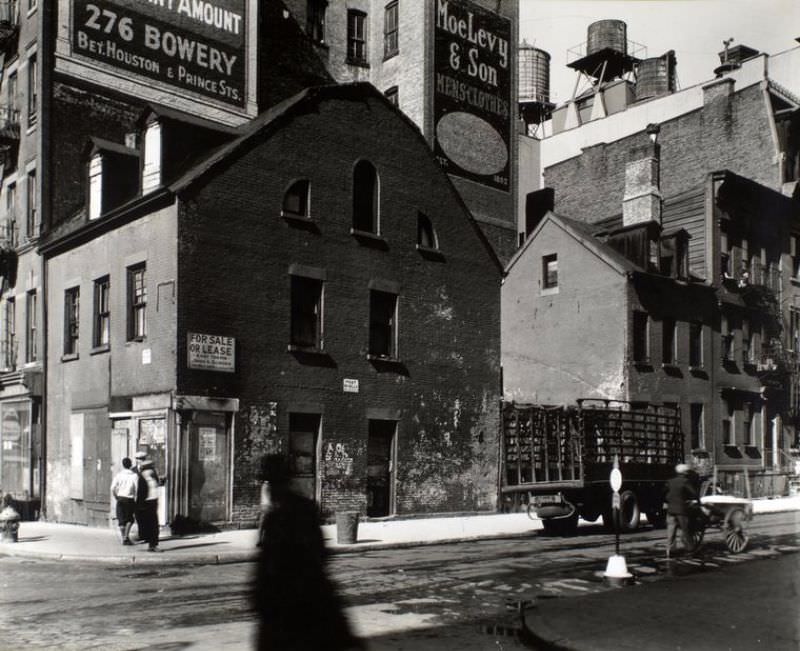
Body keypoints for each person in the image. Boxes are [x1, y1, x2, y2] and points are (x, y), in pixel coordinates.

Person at [252, 454, 362, 651]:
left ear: (282, 482)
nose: (270, 488)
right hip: (292, 603)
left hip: (299, 603)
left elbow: (314, 555)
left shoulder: (293, 512)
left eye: (273, 482)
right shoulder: (288, 512)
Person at [665, 462, 700, 558]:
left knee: (671, 530)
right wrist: (697, 500)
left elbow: (665, 493)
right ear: (684, 473)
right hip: (681, 510)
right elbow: (693, 493)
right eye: (686, 472)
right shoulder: (685, 481)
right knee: (686, 530)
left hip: (670, 509)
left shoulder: (670, 481)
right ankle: (690, 549)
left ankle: (670, 550)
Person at [110, 457, 138, 546]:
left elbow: (112, 488)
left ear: (123, 465)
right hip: (130, 499)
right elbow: (137, 489)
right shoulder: (134, 476)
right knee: (130, 519)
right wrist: (136, 499)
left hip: (120, 498)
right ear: (131, 465)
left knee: (121, 519)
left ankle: (124, 538)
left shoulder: (119, 475)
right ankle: (126, 537)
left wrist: (116, 496)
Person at [136, 458, 161, 552]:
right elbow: (140, 493)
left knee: (153, 524)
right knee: (151, 524)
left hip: (152, 502)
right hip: (146, 503)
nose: (152, 470)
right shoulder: (142, 479)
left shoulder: (152, 478)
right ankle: (151, 544)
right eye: (150, 468)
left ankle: (152, 544)